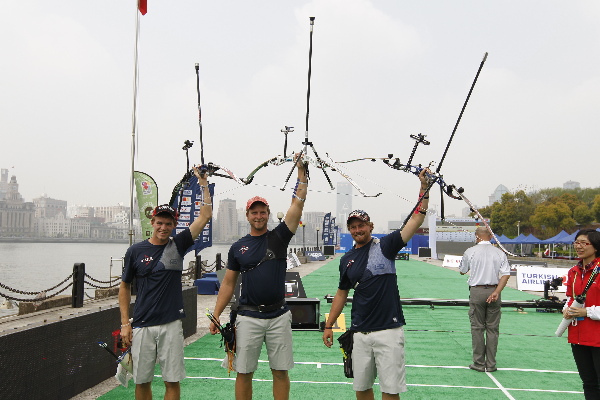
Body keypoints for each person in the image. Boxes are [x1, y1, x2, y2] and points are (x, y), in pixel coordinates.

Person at [322, 169, 430, 400]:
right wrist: (329, 325)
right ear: (349, 230)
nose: (357, 229)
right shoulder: (346, 260)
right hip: (359, 333)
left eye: (361, 225)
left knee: (390, 390)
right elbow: (341, 294)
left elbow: (416, 219)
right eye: (353, 226)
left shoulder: (386, 246)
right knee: (361, 389)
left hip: (388, 332)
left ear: (370, 225)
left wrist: (424, 189)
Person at [209, 156, 307, 400]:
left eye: (263, 211)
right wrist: (216, 314)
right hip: (247, 317)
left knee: (281, 371)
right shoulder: (237, 247)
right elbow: (228, 284)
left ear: (268, 214)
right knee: (244, 372)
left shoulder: (280, 237)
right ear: (247, 215)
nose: (259, 215)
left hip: (278, 316)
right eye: (255, 212)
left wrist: (301, 174)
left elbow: (297, 204)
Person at [119, 166, 212, 400]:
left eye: (168, 224)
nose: (163, 227)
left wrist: (203, 183)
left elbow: (205, 216)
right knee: (142, 381)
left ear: (174, 225)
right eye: (160, 222)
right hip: (141, 325)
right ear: (153, 221)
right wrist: (124, 324)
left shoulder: (178, 245)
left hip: (171, 324)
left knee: (172, 381)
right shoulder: (135, 251)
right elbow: (124, 287)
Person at [459, 226, 510, 373]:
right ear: (490, 236)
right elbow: (506, 274)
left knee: (477, 328)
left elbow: (462, 270)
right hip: (494, 290)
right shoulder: (499, 252)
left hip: (477, 291)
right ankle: (491, 364)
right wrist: (497, 292)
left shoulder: (470, 251)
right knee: (493, 329)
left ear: (477, 236)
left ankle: (479, 363)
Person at [562, 228, 600, 399]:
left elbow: (587, 306)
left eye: (584, 243)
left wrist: (587, 311)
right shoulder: (573, 272)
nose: (579, 246)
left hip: (598, 337)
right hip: (578, 336)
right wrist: (567, 309)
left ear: (596, 246)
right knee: (588, 382)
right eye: (577, 242)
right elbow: (570, 298)